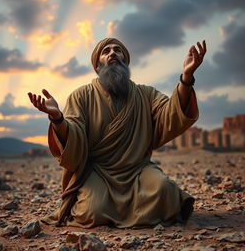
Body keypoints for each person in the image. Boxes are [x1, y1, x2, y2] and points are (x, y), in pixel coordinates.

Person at [28, 38, 206, 228]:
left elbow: (170, 114)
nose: (112, 53)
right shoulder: (81, 96)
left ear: (126, 62)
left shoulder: (145, 94)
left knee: (165, 189)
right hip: (97, 172)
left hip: (138, 170)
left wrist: (186, 78)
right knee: (92, 211)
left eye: (117, 50)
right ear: (97, 67)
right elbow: (74, 137)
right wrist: (57, 118)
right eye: (106, 51)